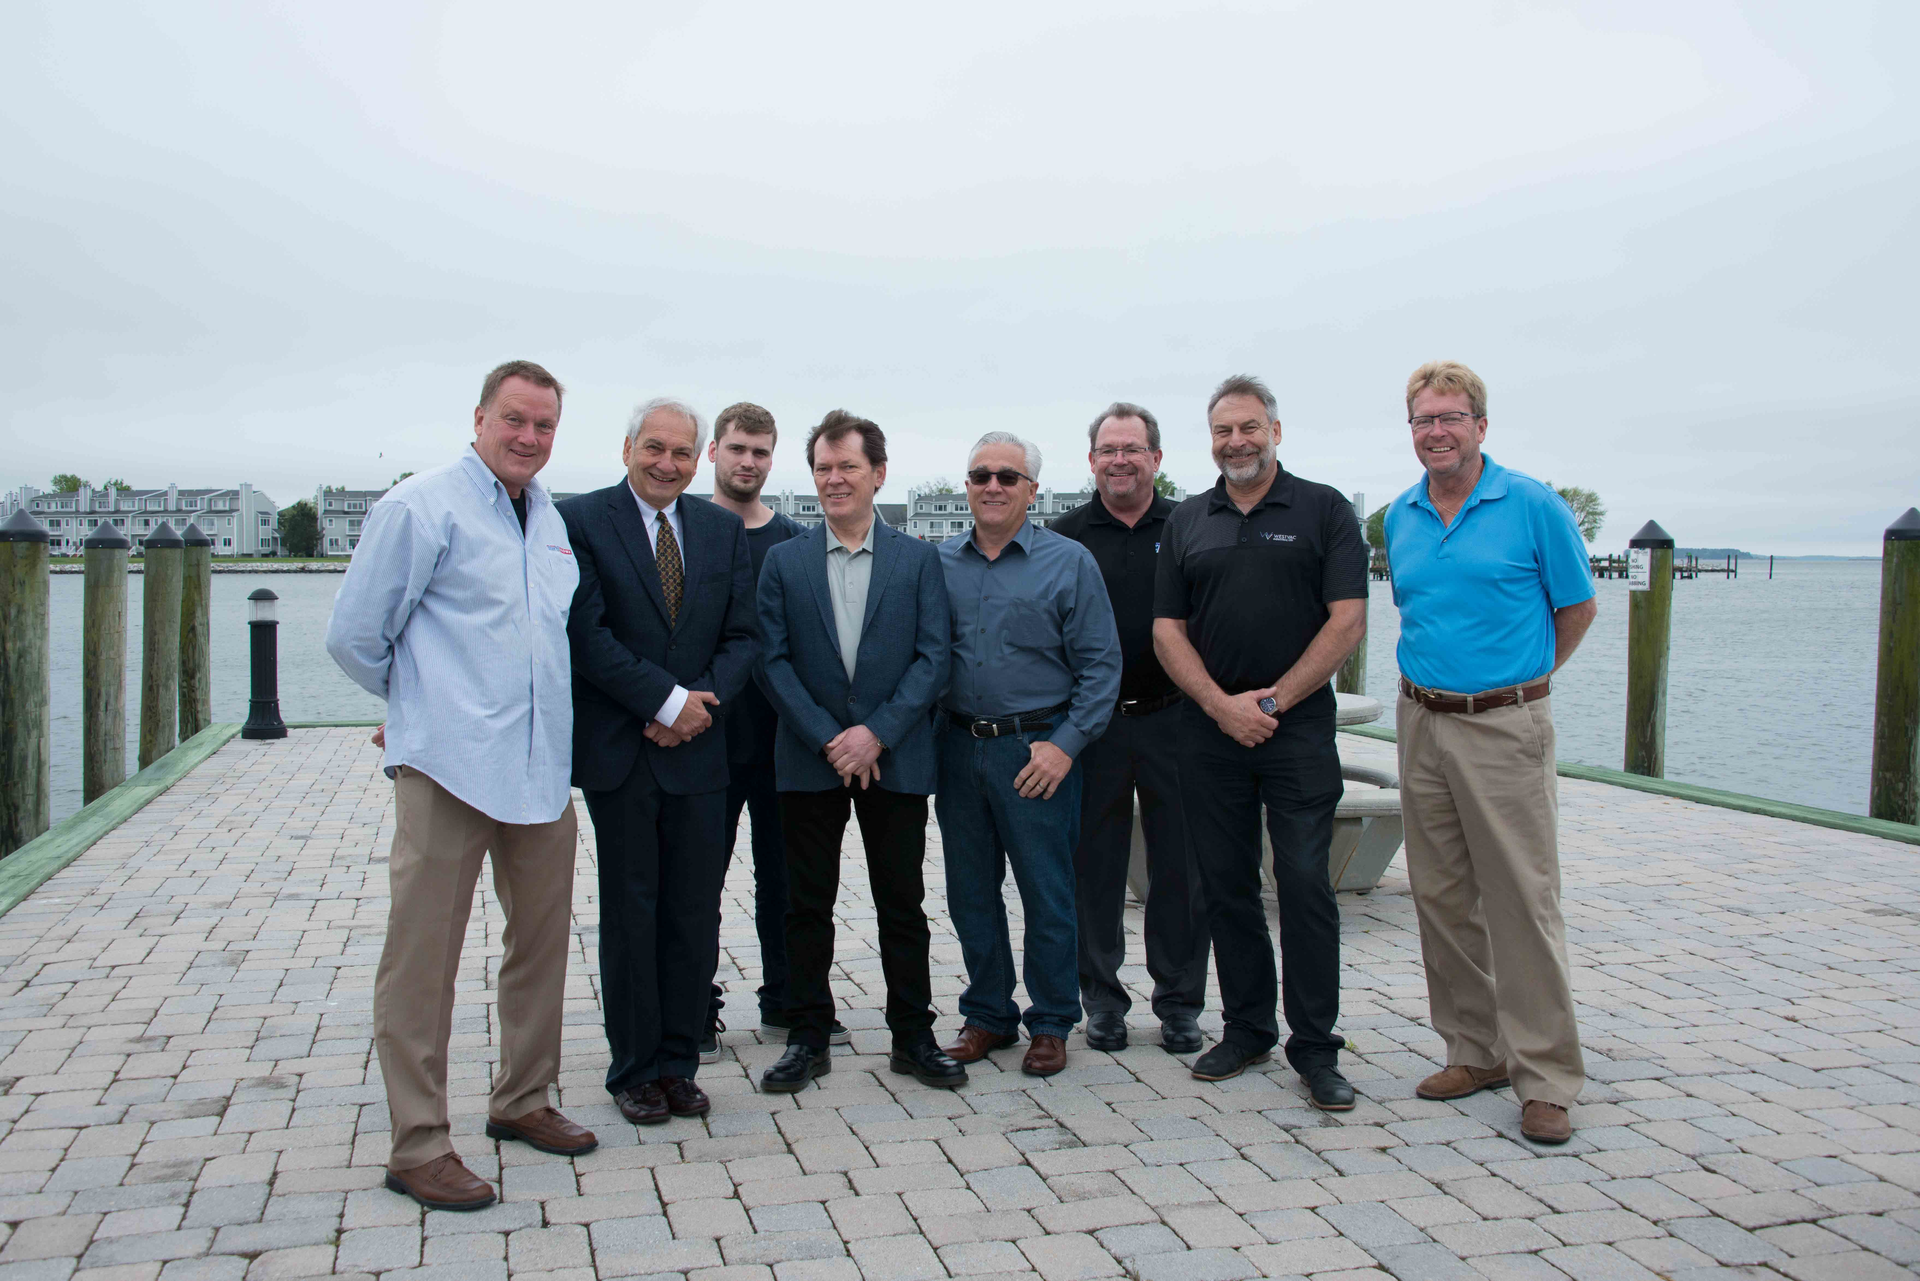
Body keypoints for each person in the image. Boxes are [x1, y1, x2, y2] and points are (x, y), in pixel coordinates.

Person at [327, 360, 595, 1212]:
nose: (528, 438)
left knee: (542, 944)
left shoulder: (549, 519)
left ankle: (522, 1099)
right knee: (422, 958)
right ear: (479, 416)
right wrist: (417, 707)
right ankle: (418, 1143)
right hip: (447, 769)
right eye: (514, 420)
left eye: (544, 426)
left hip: (541, 768)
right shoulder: (420, 506)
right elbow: (354, 635)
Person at [1383, 360, 1597, 1145]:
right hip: (1421, 721)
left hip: (1504, 724)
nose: (1435, 431)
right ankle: (1474, 1050)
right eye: (1422, 420)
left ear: (1480, 424)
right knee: (1440, 895)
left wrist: (1520, 684)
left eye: (1450, 417)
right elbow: (1416, 608)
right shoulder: (1400, 516)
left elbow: (1577, 606)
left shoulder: (1532, 503)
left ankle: (1545, 1076)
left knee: (1521, 899)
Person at [1153, 374, 1368, 1105]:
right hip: (1210, 732)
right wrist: (1220, 705)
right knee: (1226, 884)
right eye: (1222, 431)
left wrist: (1271, 700)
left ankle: (1316, 1047)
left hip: (1297, 729)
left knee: (1306, 882)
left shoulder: (1323, 509)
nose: (1235, 442)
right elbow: (1166, 630)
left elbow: (1347, 621)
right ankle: (1247, 1026)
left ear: (1276, 430)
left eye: (1248, 427)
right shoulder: (1188, 518)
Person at [559, 398, 757, 1127]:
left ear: (697, 457)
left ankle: (679, 1061)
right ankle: (634, 1068)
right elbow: (586, 632)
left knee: (693, 914)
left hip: (701, 753)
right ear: (627, 447)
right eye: (654, 447)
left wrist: (697, 707)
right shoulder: (580, 521)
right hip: (624, 752)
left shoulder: (720, 529)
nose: (667, 462)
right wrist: (666, 701)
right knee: (632, 913)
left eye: (681, 451)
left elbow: (744, 636)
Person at [754, 411, 965, 1092]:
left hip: (894, 756)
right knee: (804, 904)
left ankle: (913, 1036)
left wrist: (877, 732)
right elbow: (771, 662)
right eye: (823, 467)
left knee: (901, 902)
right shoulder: (783, 562)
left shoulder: (918, 559)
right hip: (808, 757)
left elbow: (935, 658)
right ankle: (808, 1035)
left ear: (878, 473)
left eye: (847, 465)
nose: (834, 479)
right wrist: (830, 737)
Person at [936, 431, 1121, 1078]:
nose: (992, 485)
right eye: (980, 474)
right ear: (966, 484)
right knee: (969, 893)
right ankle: (988, 1013)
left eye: (1008, 477)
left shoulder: (1069, 563)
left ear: (1031, 490)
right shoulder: (940, 564)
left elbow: (1102, 669)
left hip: (1036, 751)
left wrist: (1065, 747)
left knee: (1046, 891)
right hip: (958, 750)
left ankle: (1050, 1021)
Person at [1050, 403, 1209, 1056]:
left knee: (1181, 868)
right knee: (1095, 869)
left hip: (1174, 717)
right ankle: (1102, 1003)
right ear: (1091, 461)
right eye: (1108, 449)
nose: (1120, 459)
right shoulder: (1062, 536)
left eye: (1133, 448)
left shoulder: (1191, 526)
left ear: (1156, 459)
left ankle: (1179, 1004)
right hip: (1093, 726)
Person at [699, 402, 830, 1061]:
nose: (747, 461)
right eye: (736, 449)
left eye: (759, 452)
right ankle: (695, 1006)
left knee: (789, 881)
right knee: (698, 880)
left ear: (771, 460)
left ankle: (790, 997)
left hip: (785, 742)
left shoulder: (794, 542)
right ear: (713, 453)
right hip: (704, 742)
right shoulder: (686, 531)